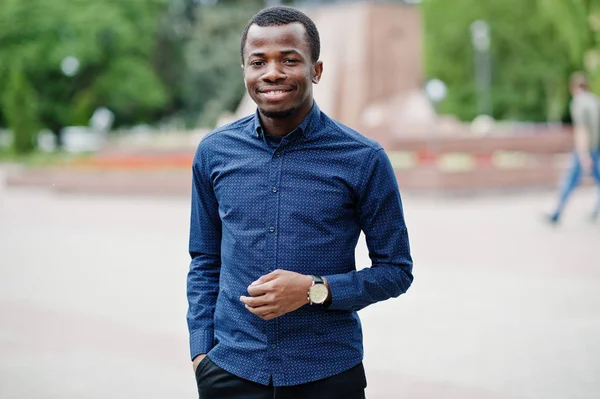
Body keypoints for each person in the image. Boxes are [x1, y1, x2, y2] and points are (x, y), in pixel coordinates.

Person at [186, 5, 413, 399]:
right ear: (245, 70)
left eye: (289, 60)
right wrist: (201, 351)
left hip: (327, 372)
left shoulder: (363, 158)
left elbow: (396, 270)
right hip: (230, 369)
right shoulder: (213, 152)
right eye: (259, 61)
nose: (272, 72)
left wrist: (314, 290)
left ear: (316, 70)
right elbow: (204, 259)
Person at [547, 72, 600, 224]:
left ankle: (557, 212)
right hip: (597, 146)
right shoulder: (594, 100)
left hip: (587, 148)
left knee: (570, 180)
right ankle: (596, 211)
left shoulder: (578, 102)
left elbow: (581, 129)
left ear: (573, 87)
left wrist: (583, 154)